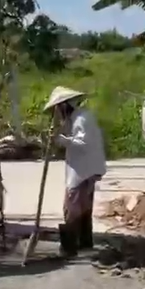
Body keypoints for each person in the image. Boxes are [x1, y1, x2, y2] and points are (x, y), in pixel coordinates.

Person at [43, 86, 107, 257]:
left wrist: (61, 140)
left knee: (71, 208)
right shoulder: (78, 117)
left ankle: (70, 247)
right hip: (85, 169)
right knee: (84, 207)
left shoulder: (81, 119)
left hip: (83, 171)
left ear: (65, 105)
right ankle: (85, 242)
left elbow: (82, 143)